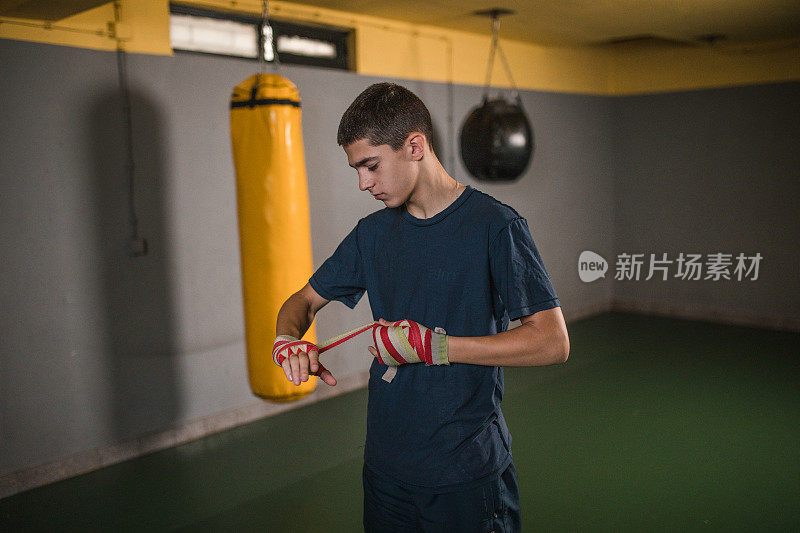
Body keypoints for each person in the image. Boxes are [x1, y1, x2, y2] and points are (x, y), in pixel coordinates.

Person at [272, 82, 569, 532]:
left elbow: (552, 341)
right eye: (357, 170)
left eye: (370, 166)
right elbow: (302, 302)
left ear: (415, 146)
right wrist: (286, 342)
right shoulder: (371, 234)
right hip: (386, 471)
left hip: (465, 475)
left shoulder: (495, 225)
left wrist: (435, 347)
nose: (363, 183)